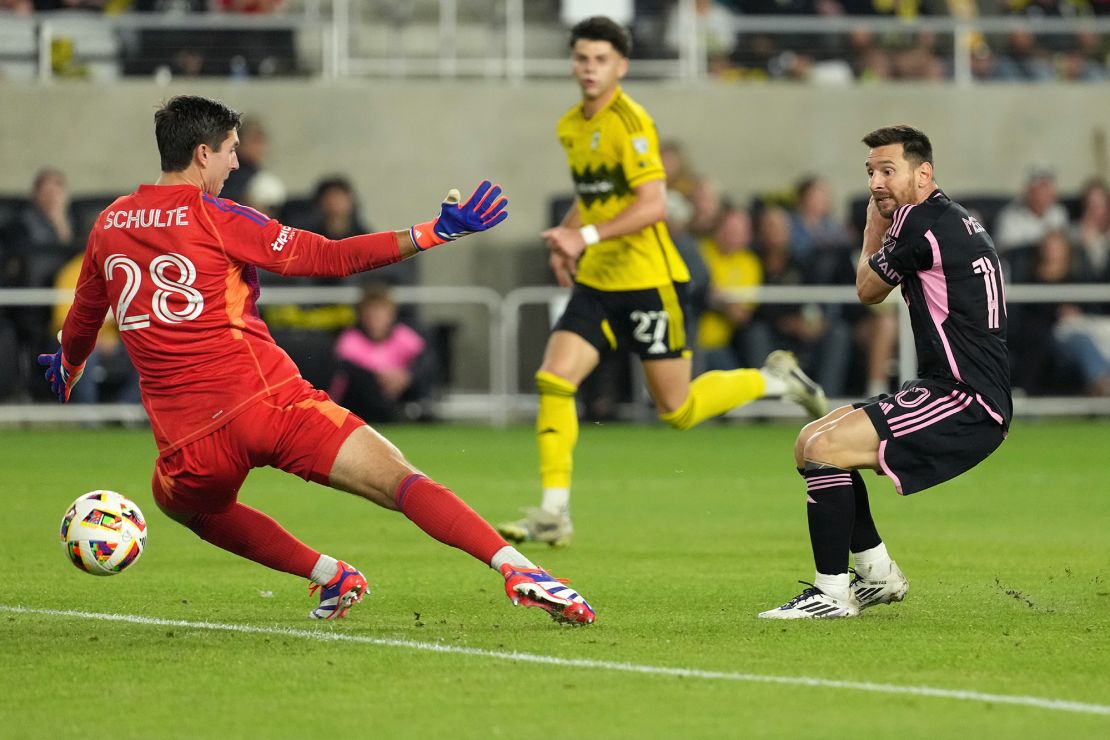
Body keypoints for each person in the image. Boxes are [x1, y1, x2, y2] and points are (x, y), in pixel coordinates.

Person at [37, 95, 594, 625]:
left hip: (189, 441)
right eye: (230, 149)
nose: (234, 162)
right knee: (398, 482)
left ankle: (328, 575)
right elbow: (327, 257)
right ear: (202, 153)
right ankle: (518, 568)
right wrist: (432, 232)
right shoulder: (219, 217)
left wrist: (69, 364)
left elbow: (86, 313)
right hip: (268, 403)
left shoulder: (110, 222)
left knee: (183, 506)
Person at [495, 17, 827, 548]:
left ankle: (777, 381)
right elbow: (597, 194)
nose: (589, 69)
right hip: (600, 282)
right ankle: (554, 512)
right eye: (582, 58)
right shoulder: (571, 125)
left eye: (601, 60)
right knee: (555, 378)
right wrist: (568, 233)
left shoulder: (631, 123)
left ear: (621, 66)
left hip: (650, 282)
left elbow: (651, 206)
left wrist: (587, 235)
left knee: (678, 410)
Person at [760, 125, 1012, 619]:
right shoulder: (953, 217)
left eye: (888, 170)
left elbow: (868, 290)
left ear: (924, 174)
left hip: (966, 399)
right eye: (871, 172)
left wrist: (872, 231)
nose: (876, 182)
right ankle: (876, 574)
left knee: (823, 449)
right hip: (949, 388)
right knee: (809, 441)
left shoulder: (916, 222)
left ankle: (830, 594)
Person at [329, 281, 435, 423]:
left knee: (426, 365)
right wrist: (378, 378)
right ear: (362, 315)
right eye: (371, 313)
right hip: (362, 404)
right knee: (362, 382)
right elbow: (346, 376)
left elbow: (426, 361)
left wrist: (407, 376)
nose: (376, 319)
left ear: (391, 314)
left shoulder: (403, 336)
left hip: (398, 393)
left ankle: (418, 408)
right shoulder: (350, 340)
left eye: (381, 313)